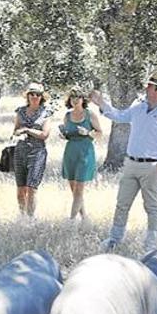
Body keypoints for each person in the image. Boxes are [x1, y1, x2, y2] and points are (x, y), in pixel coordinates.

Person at [90, 70, 157, 253]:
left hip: (152, 166)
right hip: (131, 163)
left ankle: (151, 245)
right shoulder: (139, 108)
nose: (146, 89)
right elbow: (118, 116)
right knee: (122, 203)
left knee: (152, 206)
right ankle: (115, 240)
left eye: (150, 86)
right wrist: (102, 103)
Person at [59, 87, 102, 224]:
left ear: (83, 100)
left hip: (85, 152)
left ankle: (71, 220)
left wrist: (88, 133)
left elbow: (100, 133)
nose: (75, 100)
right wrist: (63, 135)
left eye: (78, 97)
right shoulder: (67, 116)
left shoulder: (90, 115)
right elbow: (67, 133)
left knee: (79, 188)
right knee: (73, 188)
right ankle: (84, 218)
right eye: (72, 98)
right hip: (70, 152)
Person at [11, 82, 52, 218]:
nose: (34, 97)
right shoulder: (20, 111)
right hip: (20, 150)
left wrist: (28, 130)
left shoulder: (46, 113)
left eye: (38, 94)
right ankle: (22, 216)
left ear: (41, 97)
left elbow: (44, 134)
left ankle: (30, 218)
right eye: (32, 94)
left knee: (32, 187)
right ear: (27, 96)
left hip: (38, 151)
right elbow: (15, 130)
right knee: (20, 188)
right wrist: (19, 132)